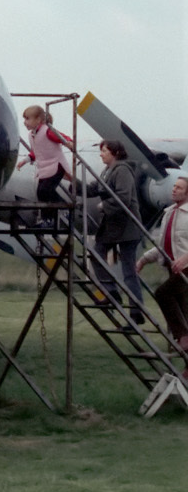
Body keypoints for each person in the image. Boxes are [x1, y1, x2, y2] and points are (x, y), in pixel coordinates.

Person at [86, 139, 145, 319]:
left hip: (127, 227)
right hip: (113, 227)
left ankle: (136, 311)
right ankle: (111, 291)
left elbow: (124, 197)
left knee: (128, 270)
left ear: (115, 153)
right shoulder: (107, 171)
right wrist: (71, 181)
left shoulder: (122, 170)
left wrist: (104, 206)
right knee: (97, 254)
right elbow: (93, 188)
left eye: (104, 150)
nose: (101, 153)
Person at [137, 175, 188, 354]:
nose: (174, 189)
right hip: (172, 268)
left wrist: (185, 259)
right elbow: (162, 244)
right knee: (182, 312)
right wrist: (144, 259)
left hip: (186, 269)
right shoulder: (169, 213)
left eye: (179, 188)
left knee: (163, 293)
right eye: (174, 187)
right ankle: (184, 352)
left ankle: (183, 336)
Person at [18, 105, 74, 210]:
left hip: (57, 166)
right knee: (41, 193)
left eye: (28, 119)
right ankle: (48, 217)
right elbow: (35, 152)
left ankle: (63, 209)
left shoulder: (47, 131)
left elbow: (62, 137)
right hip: (44, 169)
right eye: (24, 119)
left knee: (46, 190)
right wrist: (24, 161)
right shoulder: (31, 135)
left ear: (38, 120)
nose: (25, 122)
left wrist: (69, 143)